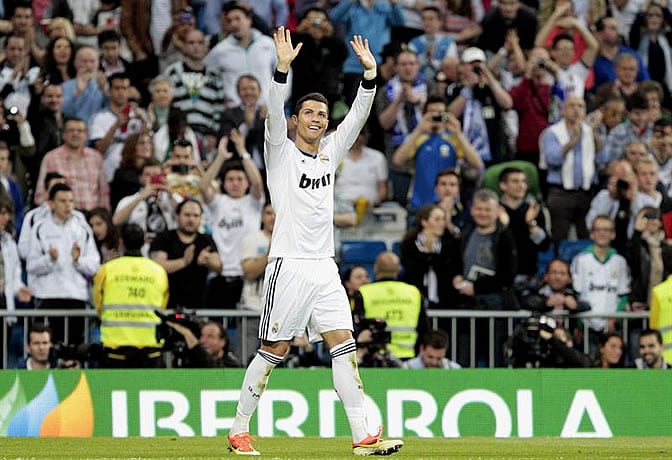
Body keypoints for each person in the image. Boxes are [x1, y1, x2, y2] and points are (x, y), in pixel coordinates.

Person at [227, 28, 403, 457]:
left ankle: (362, 435)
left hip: (325, 266)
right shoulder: (280, 152)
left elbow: (359, 116)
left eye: (322, 115)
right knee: (274, 350)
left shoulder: (330, 152)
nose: (317, 119)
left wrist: (370, 76)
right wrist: (282, 68)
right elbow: (272, 111)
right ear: (295, 119)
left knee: (345, 343)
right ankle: (239, 430)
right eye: (309, 113)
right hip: (288, 264)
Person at [26, 183, 101, 344]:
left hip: (76, 297)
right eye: (62, 201)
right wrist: (49, 259)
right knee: (49, 349)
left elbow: (94, 265)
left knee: (74, 351)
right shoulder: (40, 228)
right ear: (51, 203)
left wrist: (78, 260)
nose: (68, 205)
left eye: (71, 201)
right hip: (48, 297)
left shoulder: (83, 228)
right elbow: (31, 266)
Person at [93, 224, 168, 368]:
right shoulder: (159, 271)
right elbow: (162, 305)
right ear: (144, 241)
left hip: (116, 348)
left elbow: (99, 304)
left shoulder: (107, 269)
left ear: (121, 242)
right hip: (150, 348)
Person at [540, 96, 607, 247]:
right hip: (560, 194)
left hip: (586, 193)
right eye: (572, 106)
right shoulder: (552, 133)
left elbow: (602, 159)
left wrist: (595, 135)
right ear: (563, 110)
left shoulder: (591, 132)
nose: (576, 110)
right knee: (560, 238)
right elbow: (553, 160)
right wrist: (573, 140)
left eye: (580, 106)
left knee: (587, 237)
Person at [352, 251, 429, 361]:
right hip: (408, 356)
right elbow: (424, 328)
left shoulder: (363, 293)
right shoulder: (414, 292)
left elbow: (357, 326)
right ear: (398, 269)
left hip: (374, 356)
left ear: (375, 269)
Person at [150, 199, 221, 309]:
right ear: (177, 216)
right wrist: (183, 262)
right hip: (167, 306)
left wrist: (208, 260)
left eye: (196, 216)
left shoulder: (205, 240)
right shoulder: (164, 238)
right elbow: (157, 266)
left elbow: (219, 266)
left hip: (197, 307)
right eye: (187, 215)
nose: (191, 219)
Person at [571, 215, 630, 344]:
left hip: (612, 327)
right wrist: (580, 324)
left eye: (607, 229)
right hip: (587, 325)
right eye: (598, 229)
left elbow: (624, 295)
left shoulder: (620, 262)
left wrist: (614, 320)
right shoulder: (581, 260)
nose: (602, 233)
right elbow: (576, 293)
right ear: (592, 234)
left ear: (613, 234)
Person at [34, 117, 110, 211]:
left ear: (86, 135)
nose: (75, 134)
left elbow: (104, 193)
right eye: (71, 130)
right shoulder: (50, 158)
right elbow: (40, 196)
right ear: (63, 135)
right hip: (63, 217)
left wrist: (103, 216)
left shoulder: (96, 157)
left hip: (92, 217)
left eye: (80, 131)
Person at [239, 202, 275, 360]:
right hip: (254, 310)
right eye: (268, 213)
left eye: (277, 213)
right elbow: (249, 272)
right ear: (262, 216)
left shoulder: (294, 241)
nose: (273, 217)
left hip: (283, 313)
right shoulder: (252, 240)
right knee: (245, 360)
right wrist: (271, 251)